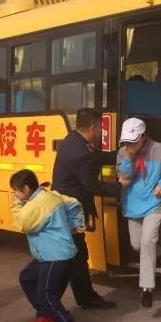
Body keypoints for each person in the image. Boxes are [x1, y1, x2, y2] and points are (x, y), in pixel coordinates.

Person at [52, 108, 121, 309]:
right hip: (70, 212)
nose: (101, 132)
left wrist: (119, 155)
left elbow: (96, 157)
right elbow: (94, 187)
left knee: (76, 255)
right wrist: (124, 188)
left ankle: (84, 297)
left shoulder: (72, 140)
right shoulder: (81, 152)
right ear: (92, 128)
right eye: (100, 128)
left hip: (65, 208)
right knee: (73, 256)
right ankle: (49, 302)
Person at [10, 170, 87, 322]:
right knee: (27, 277)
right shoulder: (48, 195)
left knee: (47, 295)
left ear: (26, 189)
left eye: (16, 191)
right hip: (49, 254)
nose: (15, 194)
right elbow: (73, 204)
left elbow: (22, 224)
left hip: (55, 255)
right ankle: (46, 314)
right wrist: (75, 224)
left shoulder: (38, 203)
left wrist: (15, 205)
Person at [116, 118, 161, 308]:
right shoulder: (123, 152)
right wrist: (128, 156)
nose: (129, 145)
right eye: (126, 142)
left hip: (154, 203)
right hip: (132, 204)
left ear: (143, 137)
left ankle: (146, 289)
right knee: (137, 244)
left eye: (133, 141)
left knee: (147, 242)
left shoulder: (158, 149)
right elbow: (124, 177)